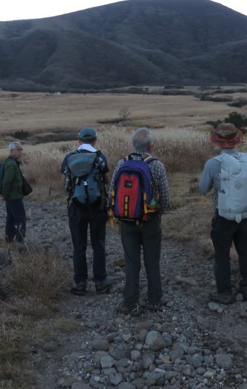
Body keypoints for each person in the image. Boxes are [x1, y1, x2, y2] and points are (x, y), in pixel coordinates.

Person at [199, 123, 247, 304]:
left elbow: (203, 189)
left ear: (217, 142)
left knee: (222, 253)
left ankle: (224, 291)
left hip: (224, 215)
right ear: (237, 140)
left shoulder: (213, 163)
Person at [112, 127, 170, 316]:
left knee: (131, 261)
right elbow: (165, 197)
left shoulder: (122, 163)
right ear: (151, 146)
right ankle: (154, 299)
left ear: (133, 145)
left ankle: (130, 303)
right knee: (152, 260)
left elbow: (112, 190)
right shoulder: (157, 165)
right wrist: (159, 211)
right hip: (150, 219)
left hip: (127, 221)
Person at [61, 126, 112, 295]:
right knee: (98, 244)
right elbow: (105, 180)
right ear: (95, 140)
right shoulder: (99, 157)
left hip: (76, 206)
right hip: (98, 206)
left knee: (79, 246)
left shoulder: (69, 158)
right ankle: (100, 282)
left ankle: (80, 283)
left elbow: (67, 185)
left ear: (79, 139)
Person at [1, 142, 27, 250]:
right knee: (20, 219)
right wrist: (4, 194)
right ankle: (20, 241)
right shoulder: (12, 164)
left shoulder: (10, 162)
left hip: (11, 196)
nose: (21, 152)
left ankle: (9, 239)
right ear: (13, 151)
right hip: (14, 196)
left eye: (21, 149)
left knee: (11, 218)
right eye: (19, 149)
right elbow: (7, 181)